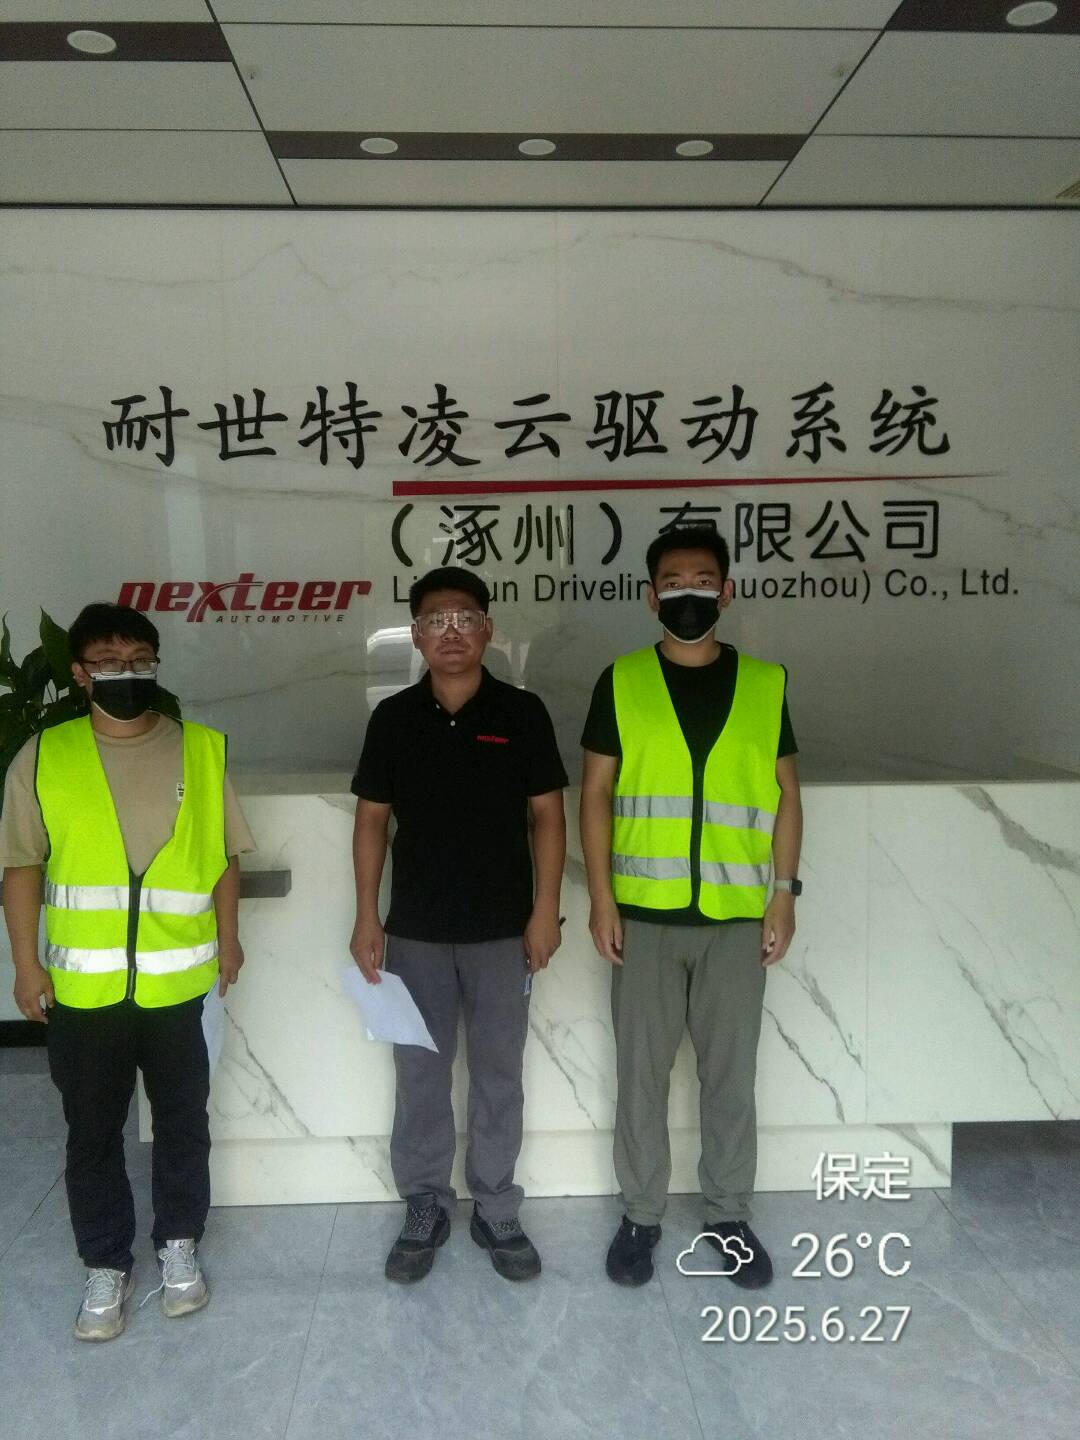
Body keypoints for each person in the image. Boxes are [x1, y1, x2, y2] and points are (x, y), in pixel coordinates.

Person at [0, 603, 254, 1340]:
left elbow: (223, 859)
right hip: (84, 990)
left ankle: (179, 1243)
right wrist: (25, 965)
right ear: (80, 675)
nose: (127, 673)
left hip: (177, 985)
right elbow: (22, 866)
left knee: (182, 1122)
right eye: (110, 663)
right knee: (92, 1131)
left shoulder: (202, 750)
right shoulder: (44, 756)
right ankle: (105, 1261)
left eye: (141, 660)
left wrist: (230, 939)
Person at [579, 526, 803, 1289]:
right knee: (640, 1077)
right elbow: (595, 793)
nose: (688, 593)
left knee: (730, 1079)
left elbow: (787, 796)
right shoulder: (622, 681)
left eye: (703, 579)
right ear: (651, 597)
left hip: (737, 919)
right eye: (673, 581)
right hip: (643, 916)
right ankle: (640, 1216)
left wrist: (783, 895)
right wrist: (601, 899)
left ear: (726, 592)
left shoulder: (766, 684)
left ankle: (728, 1216)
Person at [350, 567, 567, 1284]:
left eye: (465, 619)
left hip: (504, 932)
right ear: (415, 635)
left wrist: (544, 911)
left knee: (500, 1071)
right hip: (415, 931)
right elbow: (372, 821)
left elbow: (548, 816)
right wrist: (366, 916)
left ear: (488, 631)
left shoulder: (522, 713)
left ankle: (497, 1205)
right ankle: (425, 1202)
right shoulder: (393, 719)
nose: (452, 633)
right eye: (436, 621)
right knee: (421, 1072)